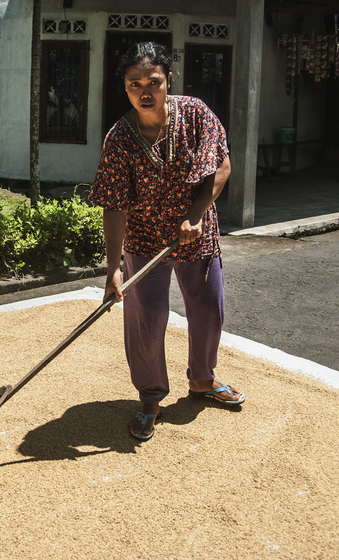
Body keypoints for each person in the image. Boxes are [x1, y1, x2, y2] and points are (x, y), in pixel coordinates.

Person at [88, 41, 243, 441]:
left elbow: (221, 165)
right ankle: (151, 397)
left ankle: (203, 379)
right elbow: (114, 206)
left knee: (208, 310)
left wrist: (196, 214)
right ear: (124, 87)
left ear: (168, 80)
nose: (145, 91)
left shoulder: (195, 114)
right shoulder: (119, 139)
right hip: (144, 241)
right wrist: (113, 270)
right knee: (148, 319)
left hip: (196, 236)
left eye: (153, 82)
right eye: (134, 84)